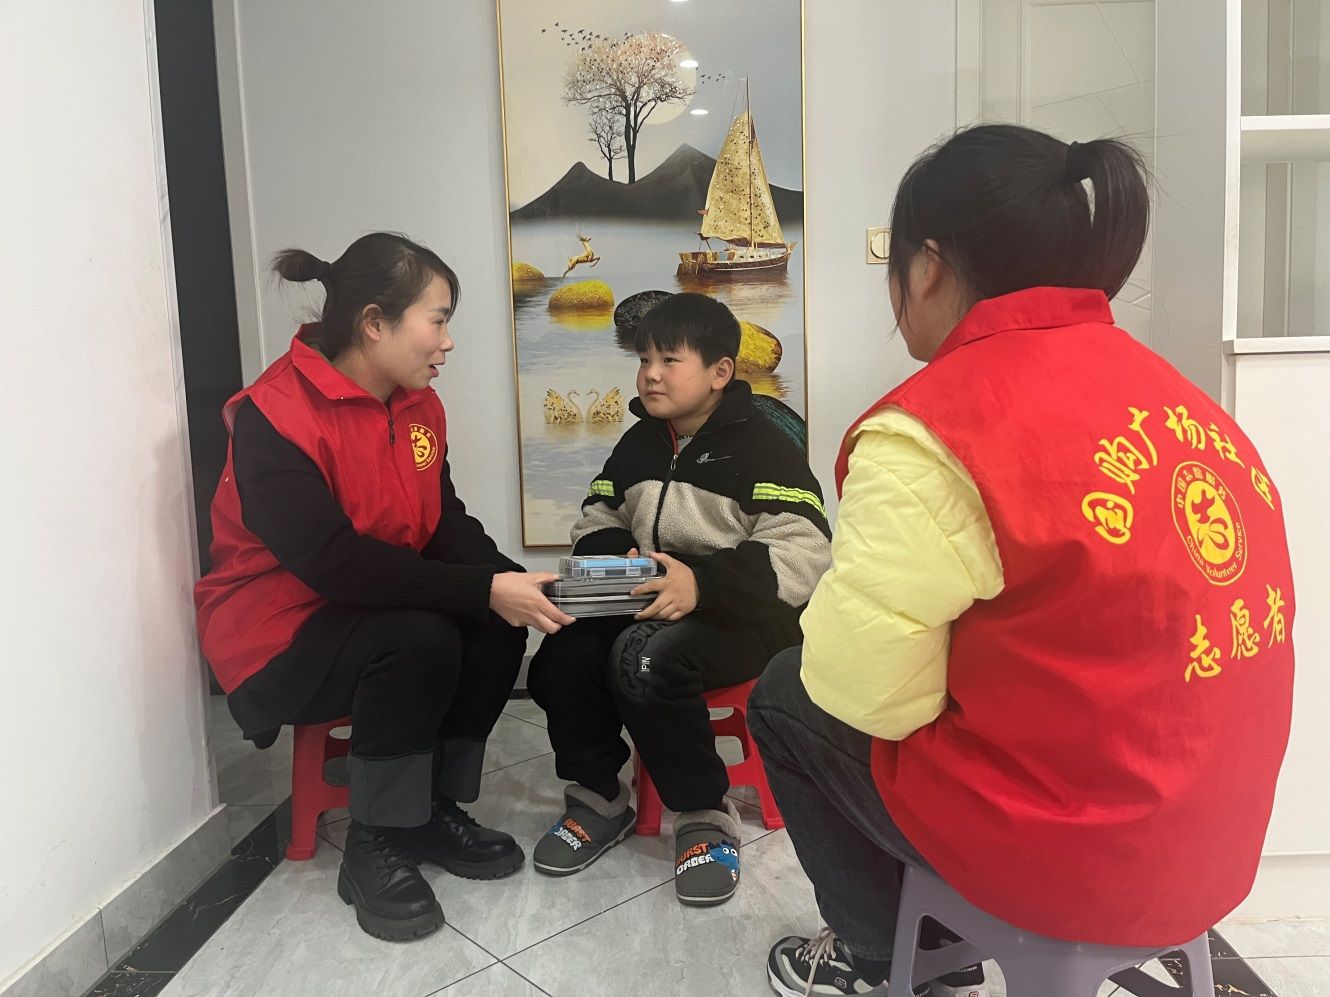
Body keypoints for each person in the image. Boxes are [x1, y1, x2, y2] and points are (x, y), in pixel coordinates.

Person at [754, 125, 1296, 997]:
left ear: (928, 267)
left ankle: (887, 962)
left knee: (788, 692)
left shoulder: (934, 428)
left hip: (1076, 861)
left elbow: (861, 692)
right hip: (1218, 843)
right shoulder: (1184, 400)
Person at [194, 232, 575, 942]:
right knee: (420, 636)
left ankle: (428, 809)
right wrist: (482, 589)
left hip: (364, 607)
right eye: (438, 319)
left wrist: (517, 585)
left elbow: (442, 522)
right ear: (374, 322)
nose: (448, 341)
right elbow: (333, 562)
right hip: (275, 633)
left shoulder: (417, 404)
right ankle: (375, 839)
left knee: (496, 626)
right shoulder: (274, 416)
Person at [525, 292, 832, 906]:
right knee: (561, 653)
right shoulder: (639, 442)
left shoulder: (764, 443)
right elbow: (598, 514)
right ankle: (598, 797)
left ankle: (703, 814)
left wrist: (703, 584)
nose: (651, 375)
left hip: (744, 615)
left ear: (720, 371)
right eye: (644, 360)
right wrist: (613, 556)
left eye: (670, 360)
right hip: (648, 598)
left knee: (646, 658)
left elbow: (805, 551)